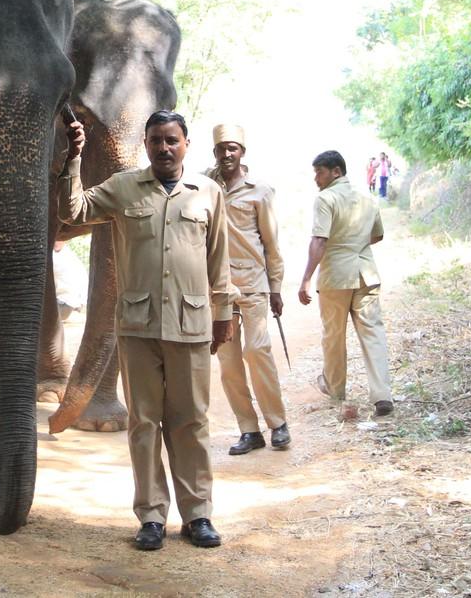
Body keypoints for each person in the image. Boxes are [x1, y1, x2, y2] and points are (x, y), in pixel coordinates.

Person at [59, 109, 236, 551]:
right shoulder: (123, 187)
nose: (163, 148)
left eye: (171, 140)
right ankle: (152, 517)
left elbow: (219, 260)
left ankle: (197, 515)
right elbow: (73, 209)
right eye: (156, 140)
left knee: (191, 421)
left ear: (185, 144)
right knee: (144, 422)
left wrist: (224, 313)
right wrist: (73, 158)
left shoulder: (208, 193)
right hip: (138, 327)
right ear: (146, 144)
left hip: (191, 324)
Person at [205, 124, 290, 456]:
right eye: (221, 149)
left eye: (233, 148)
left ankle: (278, 424)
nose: (227, 154)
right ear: (214, 152)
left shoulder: (261, 191)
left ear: (242, 152)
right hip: (217, 289)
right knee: (228, 363)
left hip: (253, 285)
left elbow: (271, 243)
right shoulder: (204, 185)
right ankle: (249, 430)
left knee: (257, 351)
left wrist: (277, 288)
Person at [297, 150, 393, 418]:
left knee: (334, 335)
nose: (316, 178)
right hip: (367, 275)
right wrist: (355, 244)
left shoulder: (325, 199)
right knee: (373, 335)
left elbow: (319, 240)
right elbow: (377, 236)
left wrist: (305, 278)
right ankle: (382, 395)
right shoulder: (368, 199)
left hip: (336, 277)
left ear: (335, 171)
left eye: (320, 172)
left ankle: (336, 390)